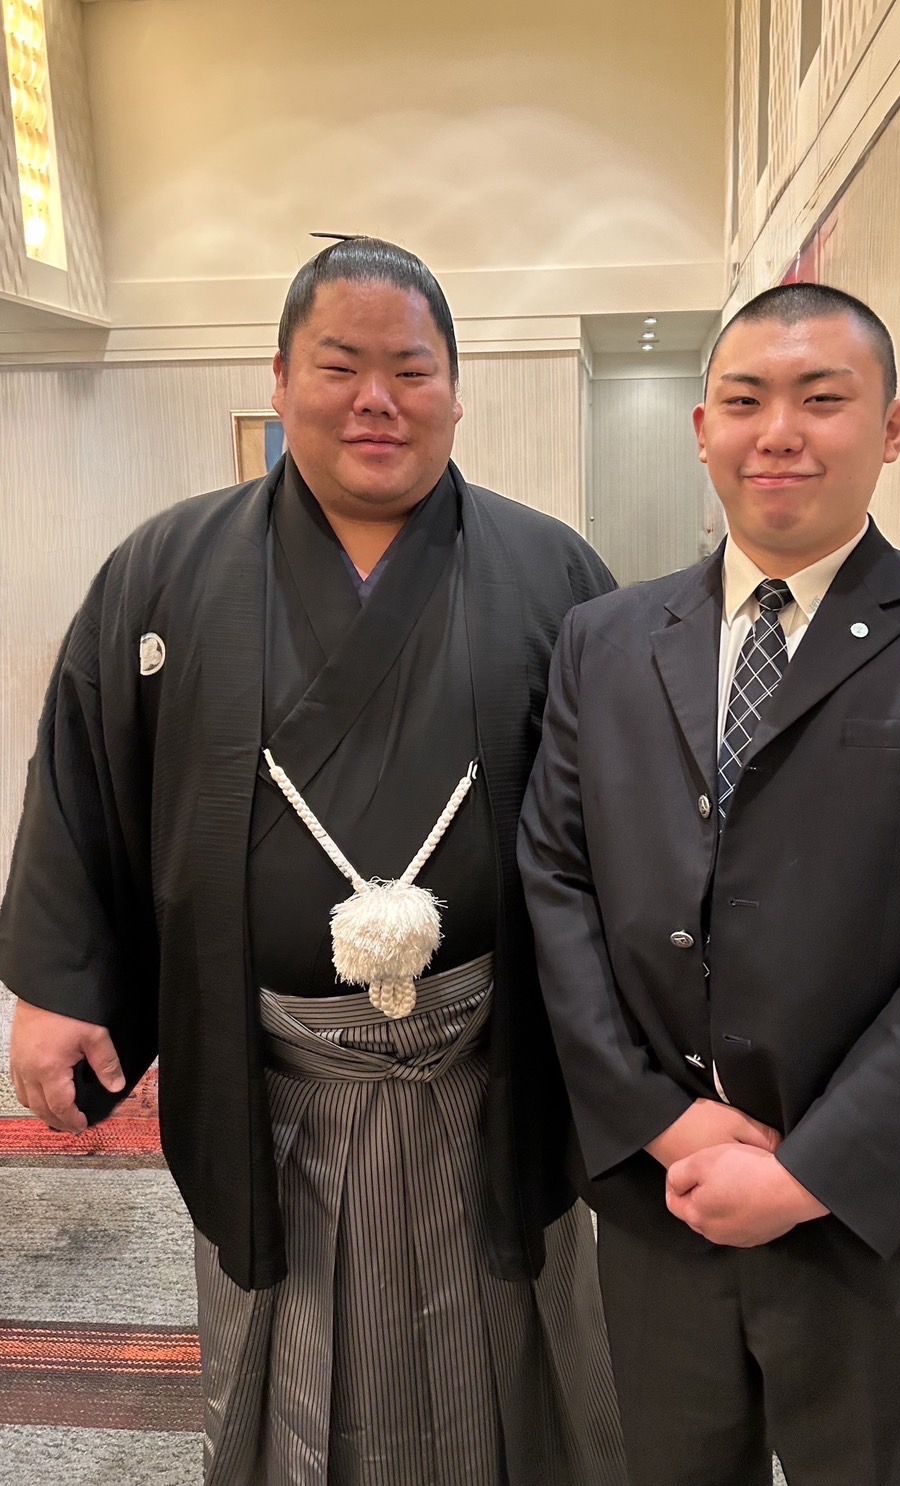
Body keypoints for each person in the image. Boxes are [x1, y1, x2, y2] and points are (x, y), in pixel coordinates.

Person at [1, 236, 626, 1485]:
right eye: (340, 366)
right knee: (283, 1364)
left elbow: (631, 815)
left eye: (411, 369)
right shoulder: (166, 570)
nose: (375, 399)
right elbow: (85, 779)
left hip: (492, 1067)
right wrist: (61, 987)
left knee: (521, 1360)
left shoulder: (552, 572)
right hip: (269, 1075)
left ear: (456, 392)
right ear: (281, 381)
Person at [518, 282, 900, 1486]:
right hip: (663, 1189)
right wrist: (655, 1115)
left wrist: (806, 1171)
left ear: (891, 427)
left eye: (822, 399)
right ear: (701, 429)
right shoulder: (604, 642)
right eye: (744, 400)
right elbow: (556, 882)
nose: (778, 431)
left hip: (872, 1212)